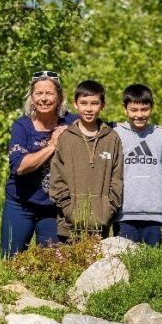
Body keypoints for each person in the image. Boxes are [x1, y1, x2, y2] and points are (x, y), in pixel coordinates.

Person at [0, 71, 77, 256]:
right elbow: (19, 167)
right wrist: (52, 145)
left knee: (54, 265)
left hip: (53, 208)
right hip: (20, 204)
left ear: (59, 97)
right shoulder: (22, 126)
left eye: (49, 93)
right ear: (32, 98)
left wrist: (152, 129)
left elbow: (106, 127)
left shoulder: (72, 122)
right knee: (10, 261)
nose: (44, 99)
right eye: (39, 93)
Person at [48, 80, 124, 240]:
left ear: (102, 105)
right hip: (69, 227)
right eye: (84, 103)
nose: (89, 108)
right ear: (76, 104)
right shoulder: (66, 138)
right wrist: (71, 211)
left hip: (100, 227)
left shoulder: (112, 138)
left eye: (94, 103)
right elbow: (56, 180)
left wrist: (106, 212)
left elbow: (117, 179)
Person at [114, 83, 162, 246]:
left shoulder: (161, 137)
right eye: (134, 110)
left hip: (155, 215)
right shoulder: (116, 135)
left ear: (151, 108)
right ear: (125, 109)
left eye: (144, 109)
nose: (139, 115)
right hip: (125, 215)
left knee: (155, 264)